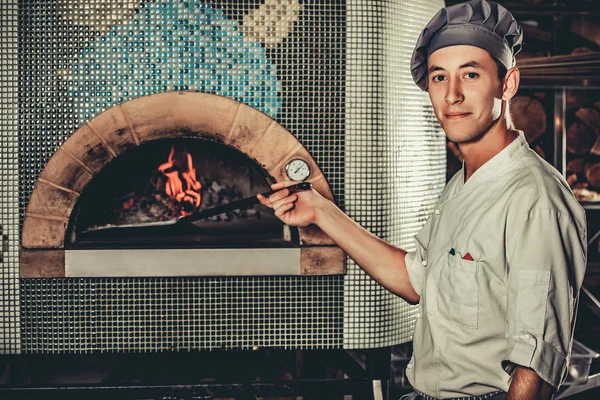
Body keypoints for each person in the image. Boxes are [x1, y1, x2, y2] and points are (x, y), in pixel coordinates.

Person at [257, 0, 587, 399]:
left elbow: (535, 361)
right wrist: (322, 212)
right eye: (438, 78)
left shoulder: (534, 199)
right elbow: (416, 280)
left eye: (470, 74)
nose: (453, 95)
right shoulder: (463, 184)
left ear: (507, 83)